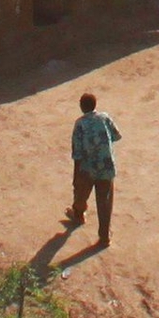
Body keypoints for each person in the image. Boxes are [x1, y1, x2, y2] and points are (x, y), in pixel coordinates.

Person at [63, 92, 119, 249]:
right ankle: (104, 237)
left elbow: (77, 152)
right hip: (106, 166)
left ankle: (79, 215)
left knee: (81, 193)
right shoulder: (105, 118)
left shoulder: (80, 124)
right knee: (105, 202)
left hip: (87, 168)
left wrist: (77, 173)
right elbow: (115, 136)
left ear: (81, 107)